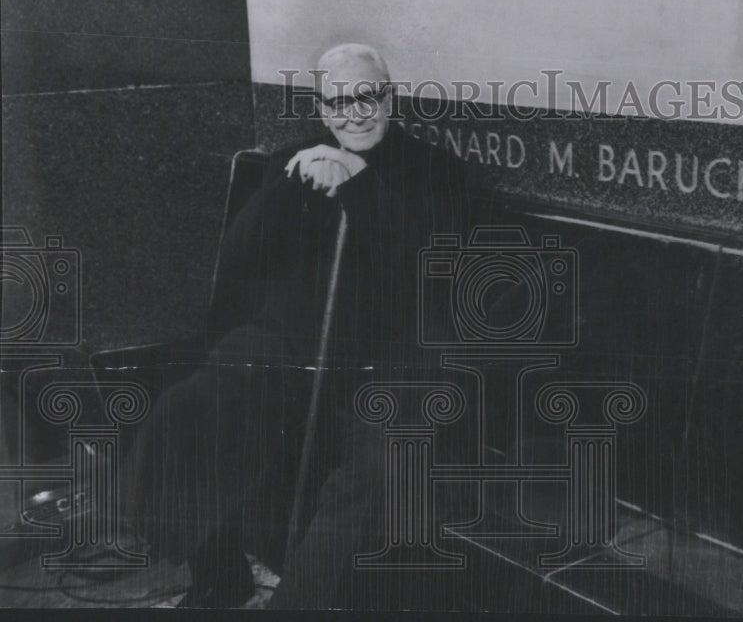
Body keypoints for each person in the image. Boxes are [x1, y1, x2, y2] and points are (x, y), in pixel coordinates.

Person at [122, 44, 481, 608]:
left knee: (383, 461)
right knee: (184, 412)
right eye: (339, 101)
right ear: (320, 106)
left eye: (368, 97)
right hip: (288, 348)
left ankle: (298, 605)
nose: (354, 113)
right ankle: (219, 577)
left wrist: (360, 182)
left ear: (390, 97)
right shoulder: (294, 158)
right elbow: (240, 256)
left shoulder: (437, 171)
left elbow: (426, 275)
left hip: (389, 359)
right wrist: (289, 184)